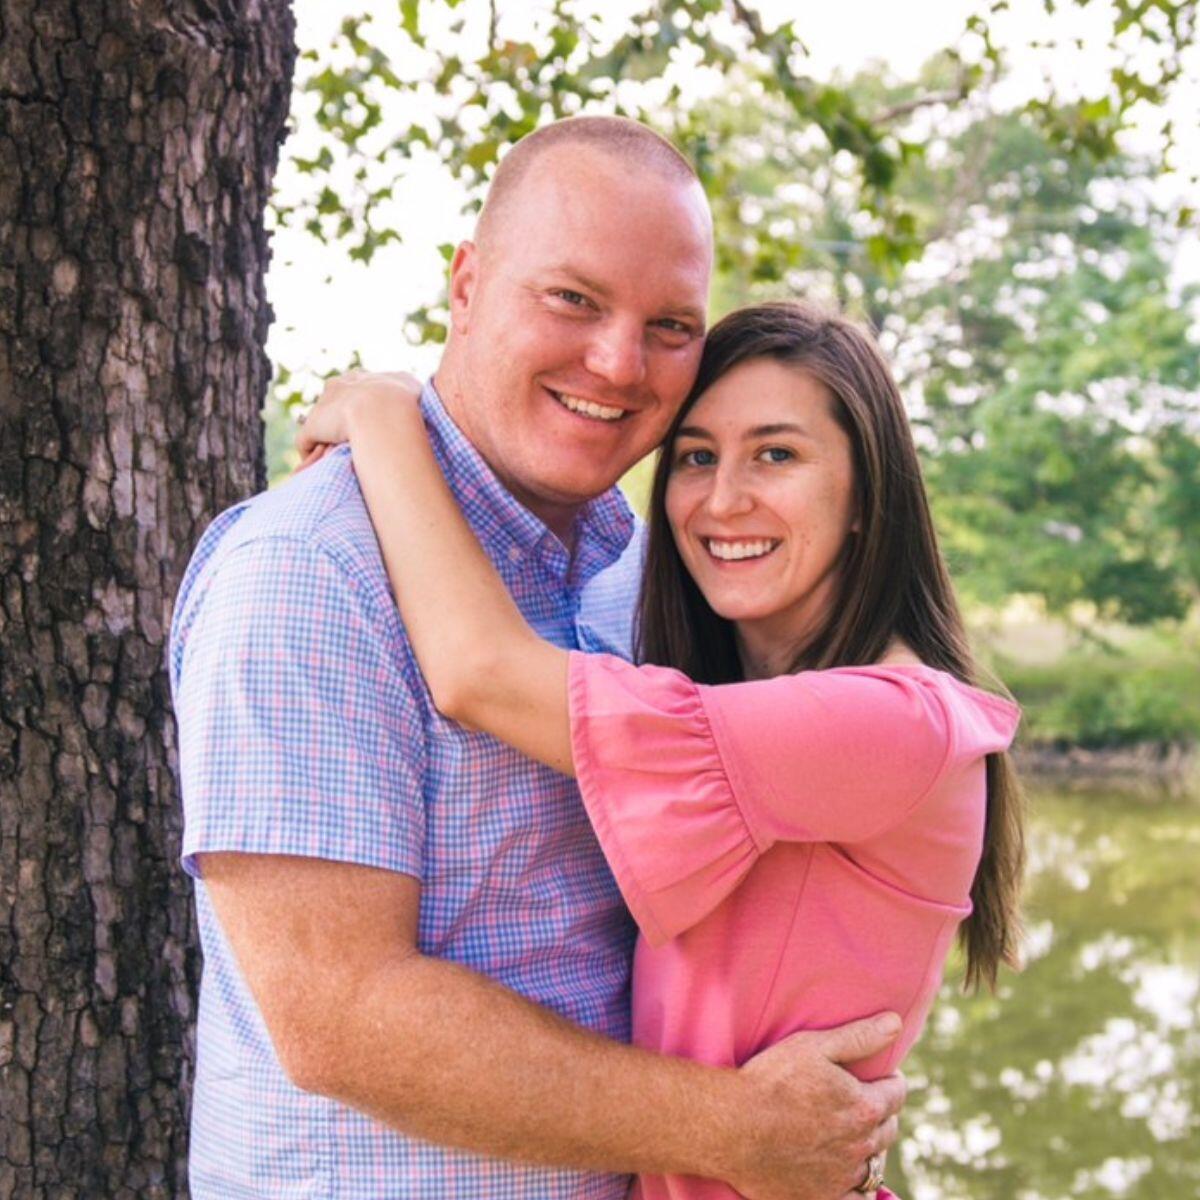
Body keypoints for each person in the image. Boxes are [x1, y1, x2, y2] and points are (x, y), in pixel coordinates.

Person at [169, 117, 906, 1200]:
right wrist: (737, 1128)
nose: (618, 362)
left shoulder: (650, 573)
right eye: (573, 299)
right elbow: (340, 1019)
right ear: (466, 285)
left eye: (670, 325)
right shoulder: (308, 568)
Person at [294, 300, 1026, 1200]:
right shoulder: (749, 698)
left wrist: (384, 417)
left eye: (777, 454)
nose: (722, 501)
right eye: (696, 457)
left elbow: (479, 669)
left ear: (868, 498)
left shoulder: (891, 723)